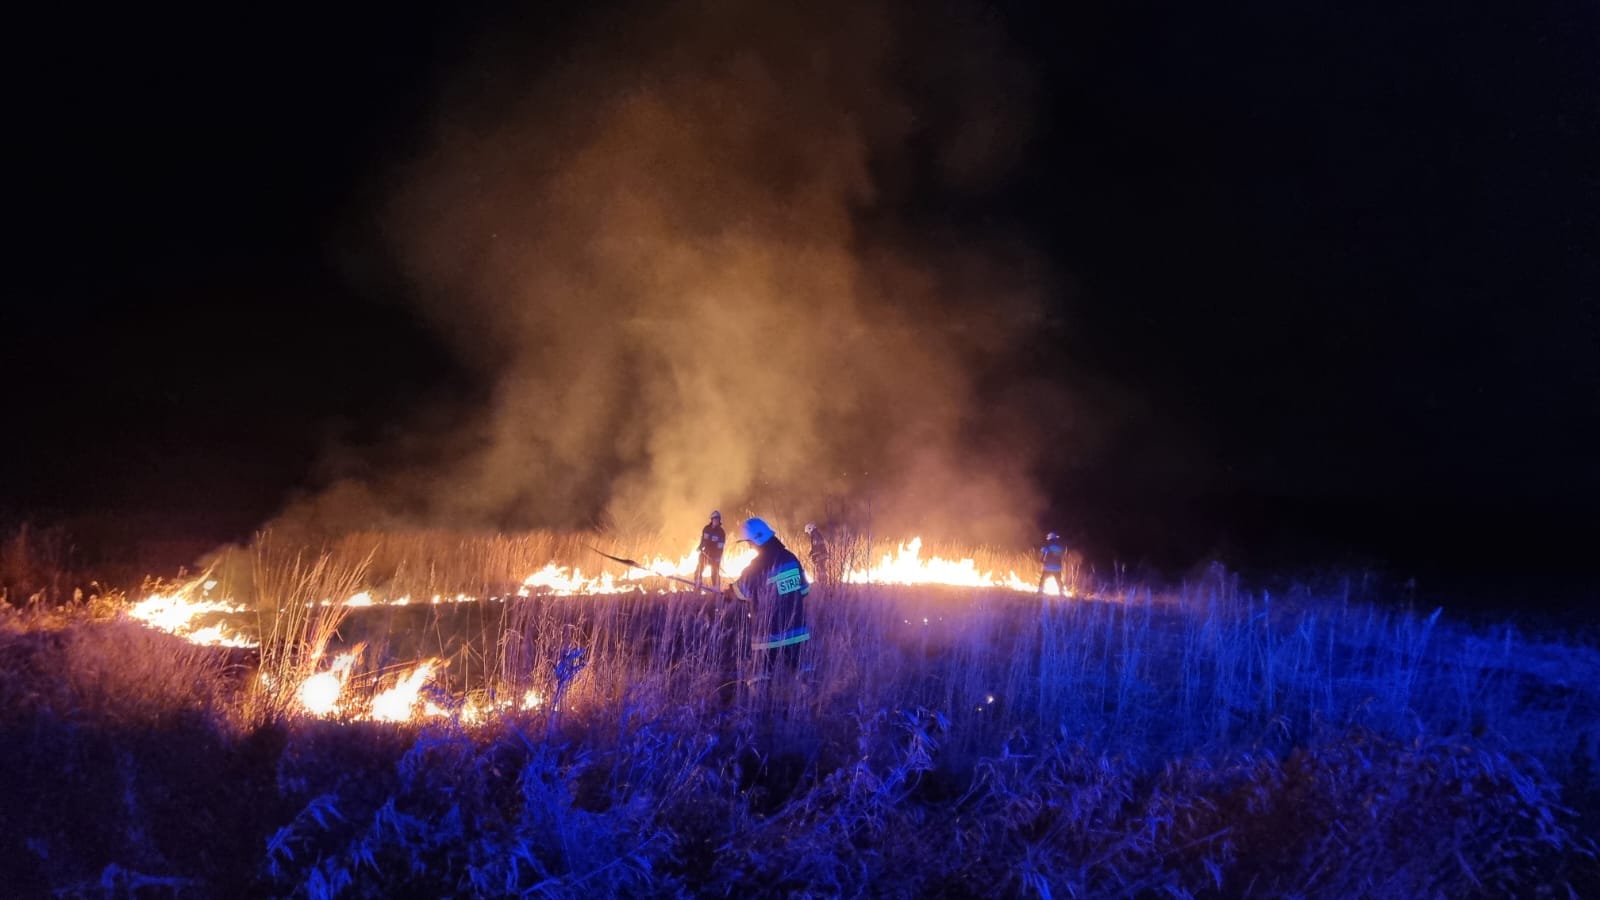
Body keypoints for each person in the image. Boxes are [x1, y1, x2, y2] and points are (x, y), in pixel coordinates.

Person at [726, 517, 810, 672]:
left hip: (768, 638)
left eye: (749, 542)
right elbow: (804, 590)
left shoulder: (756, 568)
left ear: (756, 541)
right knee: (800, 681)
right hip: (797, 634)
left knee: (762, 681)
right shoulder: (791, 559)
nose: (749, 546)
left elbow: (740, 593)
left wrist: (730, 591)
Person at [696, 510, 726, 590]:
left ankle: (716, 588)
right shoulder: (706, 529)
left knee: (714, 573)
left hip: (715, 556)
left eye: (717, 519)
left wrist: (717, 558)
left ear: (719, 520)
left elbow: (720, 548)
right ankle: (697, 584)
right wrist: (700, 547)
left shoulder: (721, 532)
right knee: (699, 568)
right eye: (714, 519)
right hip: (705, 553)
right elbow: (703, 540)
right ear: (711, 519)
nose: (716, 520)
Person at [1039, 531, 1067, 598]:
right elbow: (1063, 556)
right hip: (1057, 567)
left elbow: (1042, 554)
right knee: (1058, 580)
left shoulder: (1047, 545)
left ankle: (1040, 591)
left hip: (1048, 566)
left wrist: (1042, 561)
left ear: (1049, 538)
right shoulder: (1059, 546)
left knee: (1043, 578)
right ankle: (1062, 593)